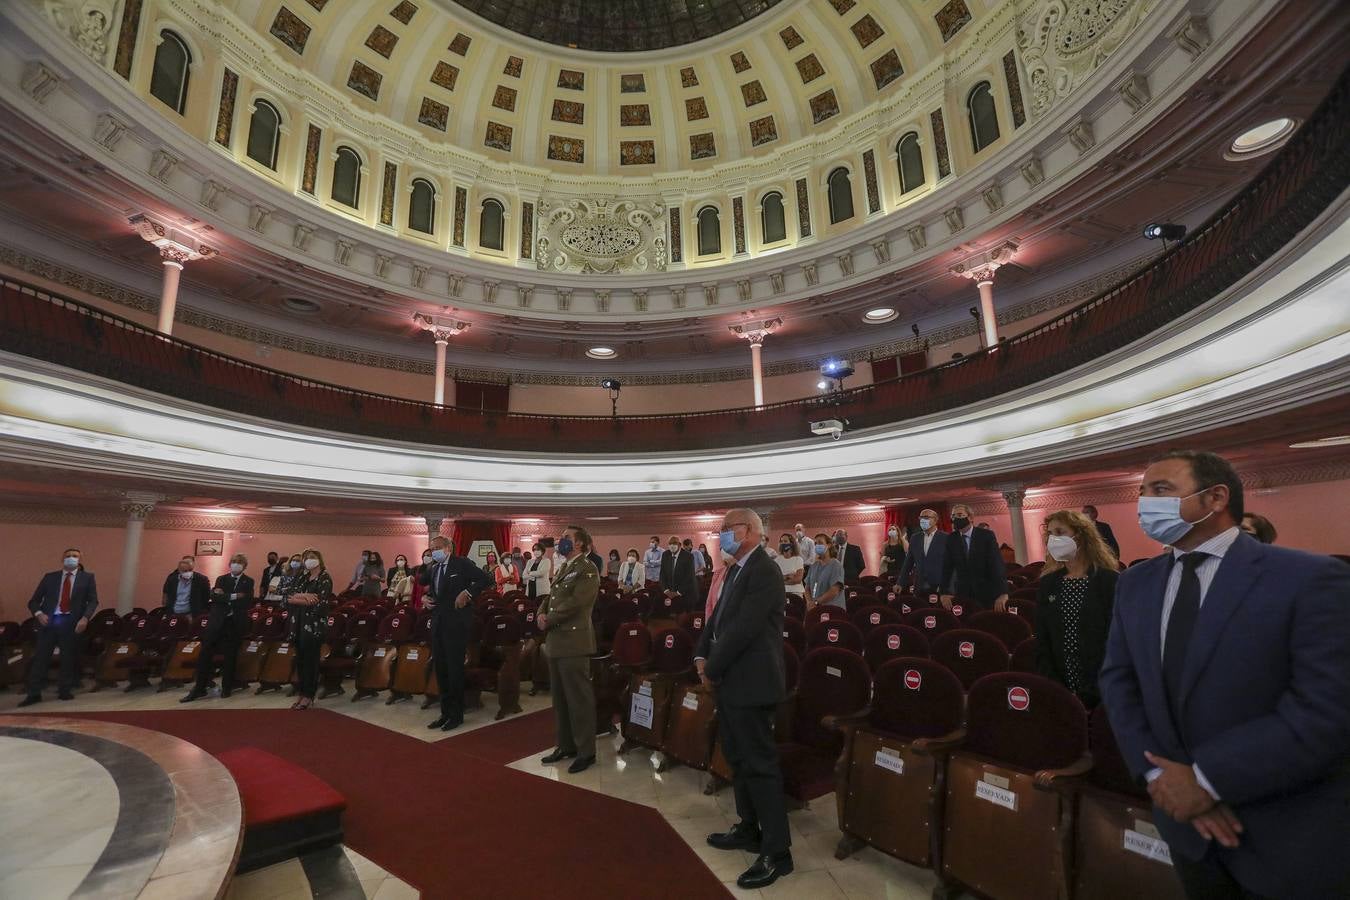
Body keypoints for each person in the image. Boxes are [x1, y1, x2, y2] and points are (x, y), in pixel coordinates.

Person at [1100, 450, 1350, 899]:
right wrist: (1162, 780)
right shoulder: (1134, 584)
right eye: (1141, 494)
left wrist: (1206, 780)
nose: (1144, 504)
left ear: (1215, 497)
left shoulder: (1309, 578)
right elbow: (1119, 683)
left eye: (1161, 490)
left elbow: (1326, 709)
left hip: (1286, 830)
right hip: (1183, 828)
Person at [696, 509, 792, 889]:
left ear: (749, 530)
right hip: (731, 681)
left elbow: (744, 630)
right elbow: (717, 621)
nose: (722, 536)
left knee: (760, 765)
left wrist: (712, 668)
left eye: (727, 530)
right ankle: (749, 827)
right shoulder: (736, 569)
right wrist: (700, 655)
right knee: (738, 759)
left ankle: (778, 852)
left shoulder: (764, 570)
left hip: (752, 682)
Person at [1033, 511, 1118, 708]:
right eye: (1051, 534)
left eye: (1060, 532)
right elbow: (1042, 640)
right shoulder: (1048, 583)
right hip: (1060, 682)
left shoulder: (1108, 581)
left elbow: (1116, 639)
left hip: (1102, 683)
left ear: (1080, 535)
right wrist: (1053, 683)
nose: (1054, 539)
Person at [538, 525, 600, 774]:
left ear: (581, 544)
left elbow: (576, 603)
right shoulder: (564, 567)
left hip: (574, 643)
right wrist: (541, 612)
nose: (560, 541)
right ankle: (565, 745)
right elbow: (551, 596)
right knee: (560, 700)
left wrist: (549, 619)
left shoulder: (587, 568)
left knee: (578, 701)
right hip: (556, 643)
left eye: (566, 538)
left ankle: (586, 751)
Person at [423, 536, 491, 731]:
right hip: (438, 623)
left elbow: (485, 579)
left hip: (456, 624)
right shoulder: (434, 568)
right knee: (441, 670)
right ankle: (445, 713)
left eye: (437, 548)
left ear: (447, 548)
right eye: (431, 548)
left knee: (454, 671)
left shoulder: (461, 564)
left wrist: (468, 593)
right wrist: (425, 599)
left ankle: (457, 714)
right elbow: (435, 594)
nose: (434, 551)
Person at [20, 548, 98, 706]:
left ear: (80, 559)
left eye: (75, 556)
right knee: (41, 658)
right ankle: (34, 693)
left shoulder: (87, 578)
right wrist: (39, 614)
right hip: (49, 622)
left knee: (68, 658)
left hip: (71, 623)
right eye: (68, 556)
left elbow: (93, 601)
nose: (71, 558)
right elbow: (33, 601)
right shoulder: (50, 577)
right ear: (62, 559)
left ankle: (65, 690)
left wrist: (85, 618)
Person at [182, 553, 255, 702]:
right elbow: (215, 597)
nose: (236, 564)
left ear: (244, 566)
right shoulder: (222, 579)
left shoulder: (248, 581)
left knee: (230, 656)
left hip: (234, 623)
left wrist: (225, 596)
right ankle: (199, 688)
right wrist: (234, 596)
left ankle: (227, 687)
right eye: (234, 561)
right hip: (217, 622)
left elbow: (246, 601)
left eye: (240, 562)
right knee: (205, 653)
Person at [940, 503, 1008, 612]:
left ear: (970, 517)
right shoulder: (951, 539)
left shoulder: (986, 535)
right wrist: (944, 592)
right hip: (962, 593)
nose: (955, 518)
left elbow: (996, 564)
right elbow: (946, 567)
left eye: (959, 515)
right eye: (953, 516)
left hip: (986, 591)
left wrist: (1003, 593)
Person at [287, 548, 332, 710]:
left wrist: (299, 597)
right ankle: (301, 693)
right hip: (298, 624)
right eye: (306, 558)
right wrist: (305, 597)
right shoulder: (303, 576)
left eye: (312, 557)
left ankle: (309, 695)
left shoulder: (325, 578)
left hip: (313, 627)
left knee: (310, 663)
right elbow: (288, 595)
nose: (308, 560)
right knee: (300, 661)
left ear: (319, 559)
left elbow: (321, 602)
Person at [897, 509, 949, 596]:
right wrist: (900, 582)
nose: (923, 520)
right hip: (919, 585)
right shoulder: (915, 538)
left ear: (935, 520)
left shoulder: (946, 538)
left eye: (926, 517)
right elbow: (908, 563)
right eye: (921, 518)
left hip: (939, 585)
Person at [804, 533, 845, 609]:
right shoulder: (814, 566)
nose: (817, 545)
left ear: (829, 545)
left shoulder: (836, 565)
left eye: (820, 543)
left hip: (832, 609)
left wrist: (816, 602)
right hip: (814, 608)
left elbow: (834, 590)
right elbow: (807, 588)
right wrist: (810, 602)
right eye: (815, 543)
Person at [162, 556, 210, 620]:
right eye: (185, 571)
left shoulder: (202, 579)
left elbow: (206, 597)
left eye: (190, 570)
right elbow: (166, 595)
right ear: (179, 571)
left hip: (191, 615)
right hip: (173, 614)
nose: (188, 573)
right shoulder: (172, 579)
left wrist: (197, 612)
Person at [660, 535, 698, 613]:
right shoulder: (665, 555)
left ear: (680, 545)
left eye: (674, 543)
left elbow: (689, 577)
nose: (672, 545)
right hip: (670, 593)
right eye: (670, 543)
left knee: (684, 619)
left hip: (686, 594)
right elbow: (662, 574)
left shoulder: (688, 556)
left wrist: (677, 592)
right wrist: (666, 590)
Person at [775, 533, 805, 601]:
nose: (783, 543)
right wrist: (787, 576)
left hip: (795, 593)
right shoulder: (777, 560)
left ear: (791, 543)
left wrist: (781, 579)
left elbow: (798, 579)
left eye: (785, 541)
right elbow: (774, 579)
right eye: (781, 541)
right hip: (781, 593)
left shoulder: (798, 559)